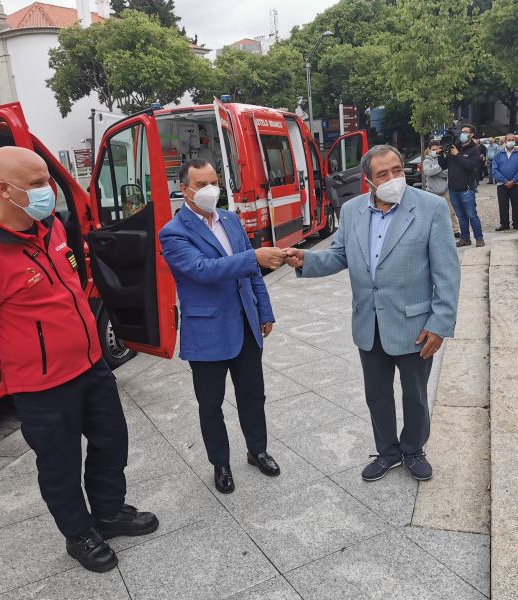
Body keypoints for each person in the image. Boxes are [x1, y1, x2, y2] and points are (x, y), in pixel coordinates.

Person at [0, 146, 158, 574]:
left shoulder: (53, 229)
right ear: (3, 190)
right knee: (60, 465)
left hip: (90, 366)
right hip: (41, 387)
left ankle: (109, 512)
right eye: (38, 184)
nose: (49, 192)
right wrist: (26, 361)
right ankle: (79, 533)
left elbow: (73, 283)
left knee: (111, 442)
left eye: (48, 180)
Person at [284, 145, 461, 482]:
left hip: (415, 325)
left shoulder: (430, 208)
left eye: (397, 169)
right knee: (377, 394)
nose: (394, 178)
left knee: (415, 396)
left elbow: (447, 275)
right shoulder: (352, 212)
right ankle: (388, 451)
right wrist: (305, 259)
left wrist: (439, 324)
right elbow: (338, 255)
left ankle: (413, 449)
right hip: (369, 323)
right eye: (383, 174)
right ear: (368, 180)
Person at [159, 159, 283, 495]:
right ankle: (221, 463)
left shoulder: (230, 219)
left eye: (214, 182)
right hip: (208, 332)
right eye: (201, 184)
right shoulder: (173, 232)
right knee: (211, 405)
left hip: (244, 323)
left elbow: (251, 274)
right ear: (184, 190)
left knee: (253, 396)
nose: (210, 190)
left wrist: (264, 312)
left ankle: (257, 450)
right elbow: (202, 269)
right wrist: (253, 256)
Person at [438, 124, 485, 247]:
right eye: (462, 131)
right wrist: (440, 154)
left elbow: (470, 166)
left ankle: (479, 238)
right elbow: (444, 165)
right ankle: (465, 238)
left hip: (467, 189)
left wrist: (458, 155)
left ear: (472, 134)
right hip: (453, 189)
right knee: (460, 216)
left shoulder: (474, 150)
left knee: (471, 215)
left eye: (466, 132)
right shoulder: (455, 147)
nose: (463, 134)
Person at [422, 140, 461, 238]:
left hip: (445, 190)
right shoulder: (426, 161)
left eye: (437, 149)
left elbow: (448, 172)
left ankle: (455, 230)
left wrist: (435, 170)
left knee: (451, 212)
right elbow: (428, 172)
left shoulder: (444, 158)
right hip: (431, 192)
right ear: (429, 150)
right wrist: (440, 166)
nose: (435, 151)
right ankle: (434, 232)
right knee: (432, 214)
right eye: (433, 149)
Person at [492, 133, 518, 231]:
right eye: (509, 139)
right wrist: (505, 181)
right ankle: (504, 224)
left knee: (517, 205)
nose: (511, 141)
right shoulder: (499, 154)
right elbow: (494, 169)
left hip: (515, 184)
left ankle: (517, 223)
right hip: (502, 184)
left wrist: (514, 180)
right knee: (503, 205)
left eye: (513, 139)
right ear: (505, 141)